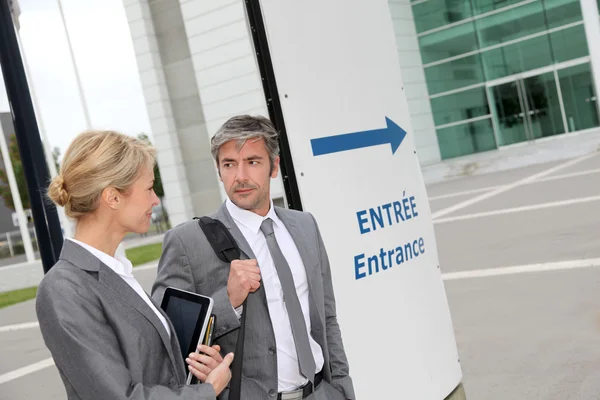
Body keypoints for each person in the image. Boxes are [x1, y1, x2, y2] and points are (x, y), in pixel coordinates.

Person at [152, 116, 355, 400]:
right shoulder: (187, 242)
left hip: (321, 392)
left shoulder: (305, 226)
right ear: (219, 171)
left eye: (253, 162)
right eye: (229, 164)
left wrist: (341, 388)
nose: (240, 176)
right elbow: (167, 339)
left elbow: (327, 316)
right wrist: (228, 300)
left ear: (274, 166)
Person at [37, 130, 233, 400]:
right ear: (112, 197)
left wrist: (196, 375)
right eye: (150, 188)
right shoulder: (64, 289)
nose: (155, 200)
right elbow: (119, 396)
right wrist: (206, 391)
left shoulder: (116, 270)